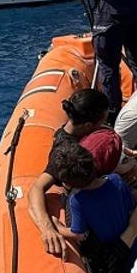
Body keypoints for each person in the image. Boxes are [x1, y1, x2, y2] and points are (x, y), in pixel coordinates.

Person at [52, 138, 137, 273]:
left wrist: (58, 228)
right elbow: (133, 207)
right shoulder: (116, 180)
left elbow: (78, 233)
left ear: (66, 183)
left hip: (116, 254)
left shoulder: (77, 201)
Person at [27, 89, 112, 255]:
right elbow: (36, 188)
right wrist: (47, 229)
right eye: (103, 120)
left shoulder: (83, 132)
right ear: (88, 125)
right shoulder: (65, 152)